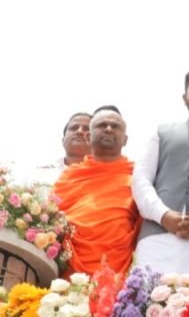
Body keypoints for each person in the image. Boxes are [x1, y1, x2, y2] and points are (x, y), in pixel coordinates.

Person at [132, 66, 189, 281]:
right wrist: (164, 216)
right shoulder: (161, 131)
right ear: (184, 97)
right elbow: (141, 180)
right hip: (156, 238)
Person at [54, 107, 141, 275]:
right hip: (70, 263)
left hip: (117, 261)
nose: (109, 129)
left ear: (125, 140)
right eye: (102, 125)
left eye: (115, 127)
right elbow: (52, 217)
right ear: (89, 136)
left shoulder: (138, 175)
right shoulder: (70, 176)